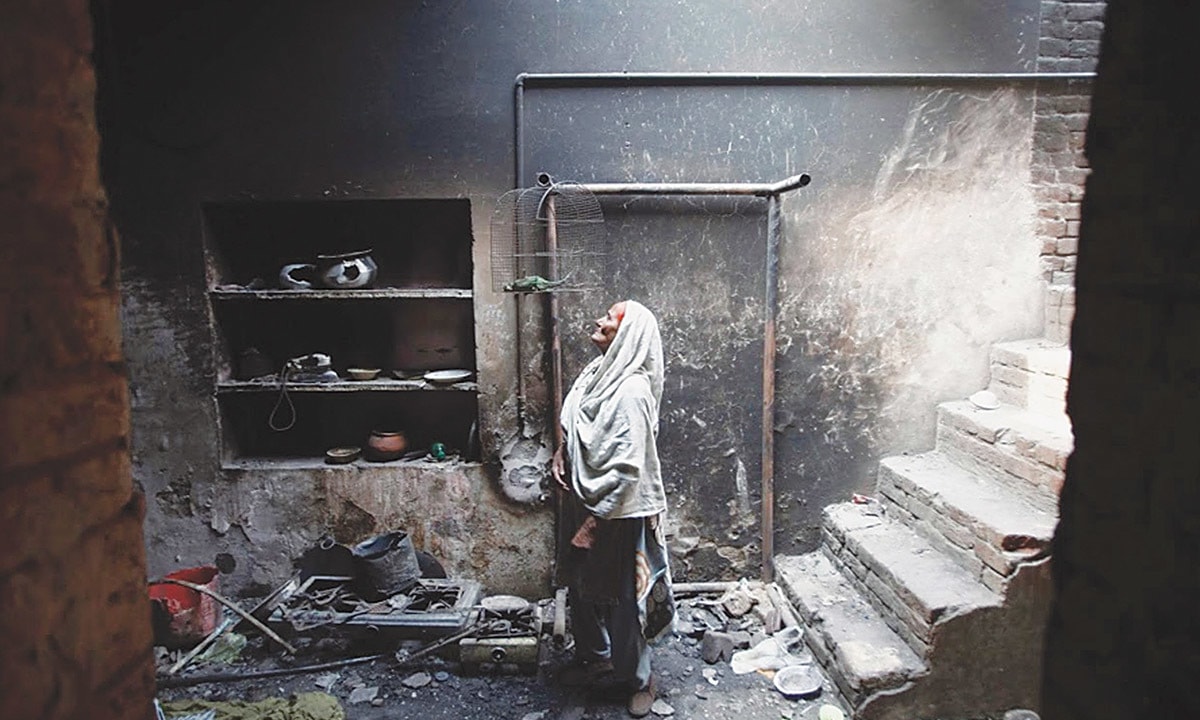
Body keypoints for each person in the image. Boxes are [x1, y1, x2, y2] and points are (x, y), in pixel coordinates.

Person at [552, 299, 675, 718]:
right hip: (586, 501)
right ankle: (597, 659)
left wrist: (591, 525)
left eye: (609, 318)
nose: (599, 320)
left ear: (626, 336)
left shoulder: (632, 391)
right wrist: (561, 452)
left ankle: (640, 679)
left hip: (618, 513)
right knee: (582, 588)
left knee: (626, 597)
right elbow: (573, 419)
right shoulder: (596, 374)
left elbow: (627, 469)